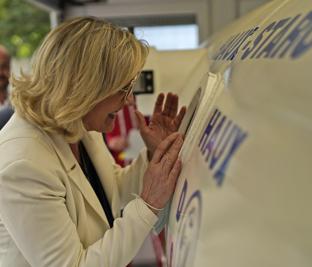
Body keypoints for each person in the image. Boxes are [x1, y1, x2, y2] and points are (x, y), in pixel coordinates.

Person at [0, 16, 186, 267]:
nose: (130, 100)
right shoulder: (22, 163)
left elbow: (110, 192)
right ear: (87, 88)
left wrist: (155, 154)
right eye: (124, 87)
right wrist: (149, 205)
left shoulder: (76, 123)